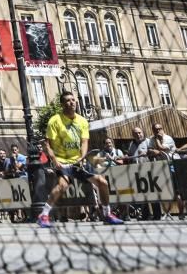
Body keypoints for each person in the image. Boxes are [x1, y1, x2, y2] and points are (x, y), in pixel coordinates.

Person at [37, 90, 123, 228]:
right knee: (62, 186)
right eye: (68, 101)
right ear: (62, 104)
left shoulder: (82, 121)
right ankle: (44, 215)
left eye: (73, 100)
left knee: (102, 182)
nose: (72, 103)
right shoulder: (55, 120)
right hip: (62, 160)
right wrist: (55, 160)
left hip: (78, 161)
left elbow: (84, 142)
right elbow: (47, 144)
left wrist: (82, 156)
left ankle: (107, 214)